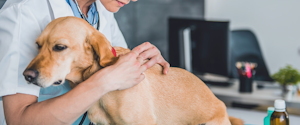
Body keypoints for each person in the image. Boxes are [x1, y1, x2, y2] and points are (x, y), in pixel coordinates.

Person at [0, 0, 170, 124]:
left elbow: (123, 78)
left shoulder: (101, 11)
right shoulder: (24, 10)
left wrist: (145, 64)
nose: (133, 0)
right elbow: (18, 119)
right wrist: (104, 82)